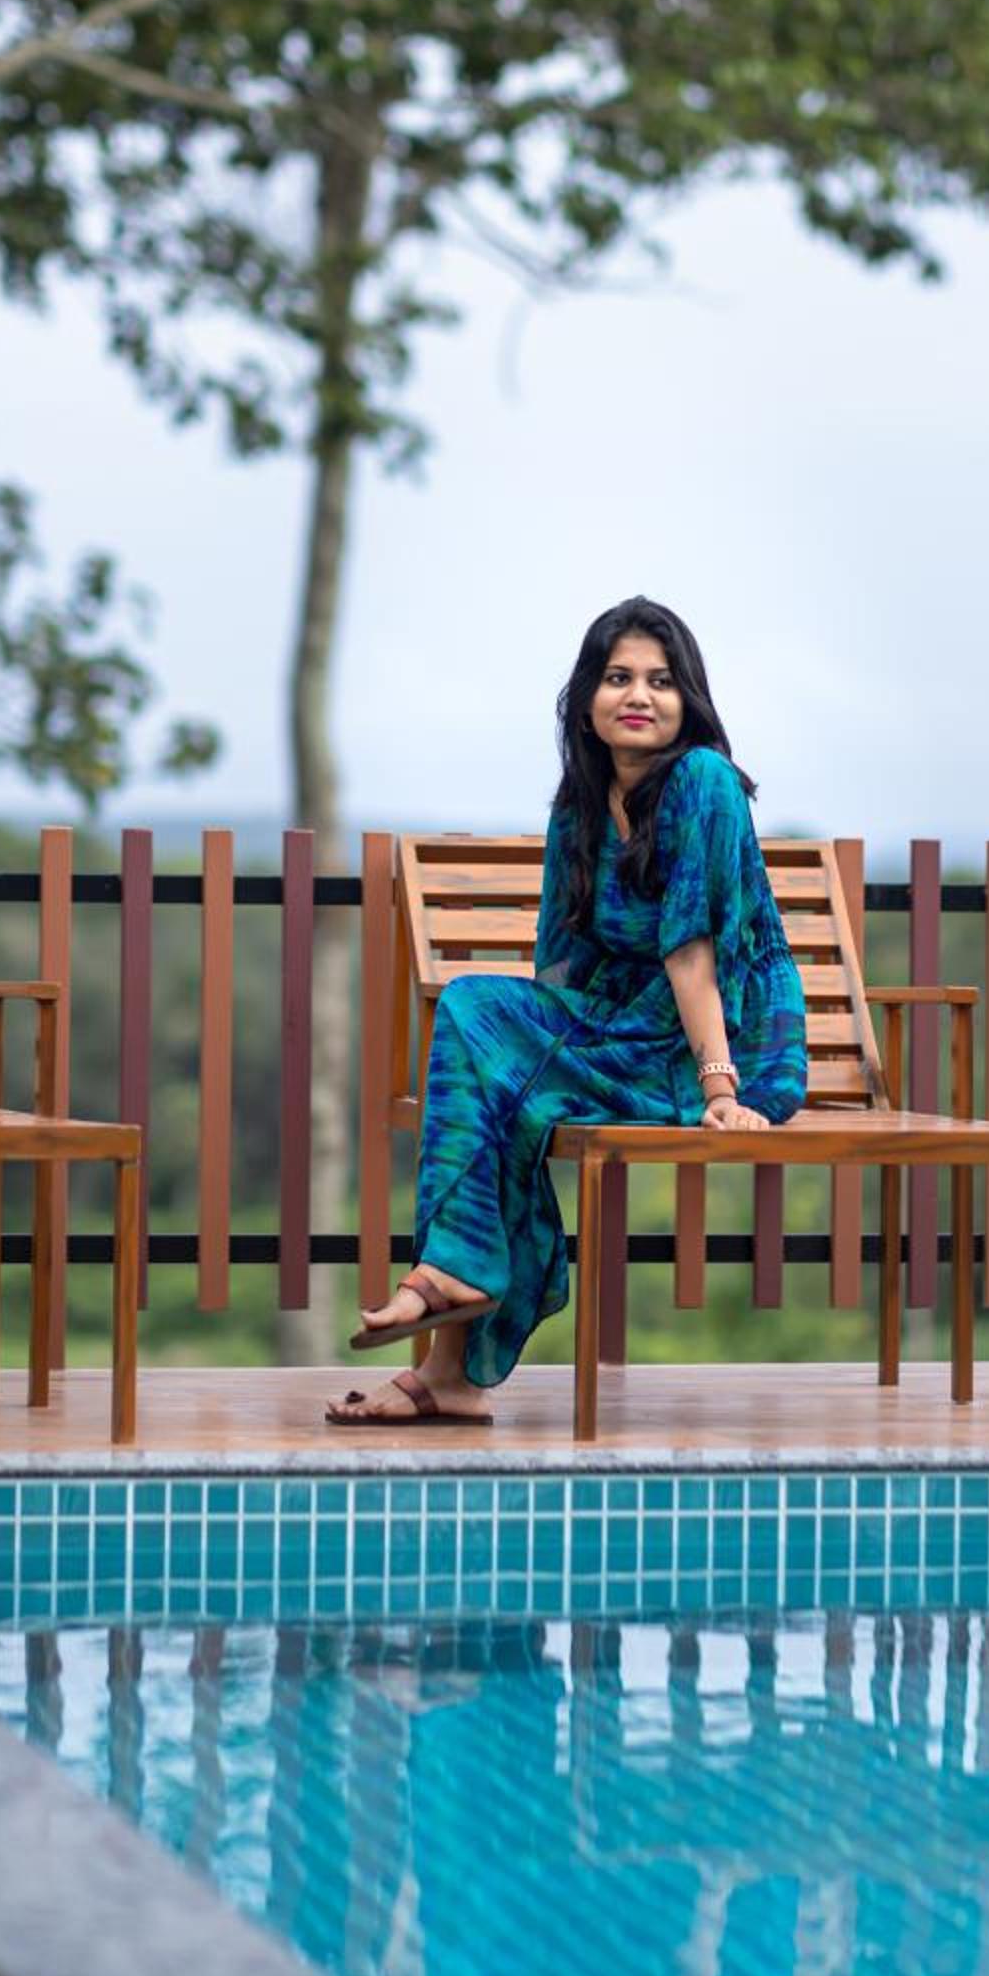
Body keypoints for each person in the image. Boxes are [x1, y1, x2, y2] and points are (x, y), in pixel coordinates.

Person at [327, 598, 808, 1427]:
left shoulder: (704, 782)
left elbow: (693, 949)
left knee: (502, 1071)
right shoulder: (579, 805)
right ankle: (452, 1351)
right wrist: (525, 1054)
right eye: (618, 677)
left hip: (720, 1042)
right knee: (477, 1021)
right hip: (623, 1029)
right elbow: (562, 960)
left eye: (661, 680)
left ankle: (447, 1333)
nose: (639, 695)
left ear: (689, 699)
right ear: (586, 700)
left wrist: (721, 1089)